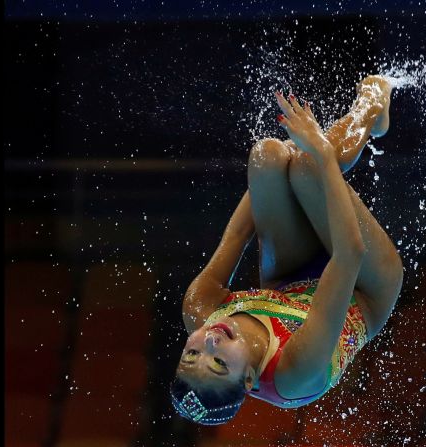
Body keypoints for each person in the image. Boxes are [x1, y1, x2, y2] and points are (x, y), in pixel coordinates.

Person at [171, 75, 404, 425]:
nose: (209, 345)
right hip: (365, 288)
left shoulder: (199, 308)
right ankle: (371, 101)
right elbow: (349, 254)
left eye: (191, 354)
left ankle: (338, 136)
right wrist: (322, 153)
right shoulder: (294, 373)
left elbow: (237, 235)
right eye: (219, 364)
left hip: (290, 277)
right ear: (249, 380)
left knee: (267, 155)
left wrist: (277, 166)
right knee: (311, 165)